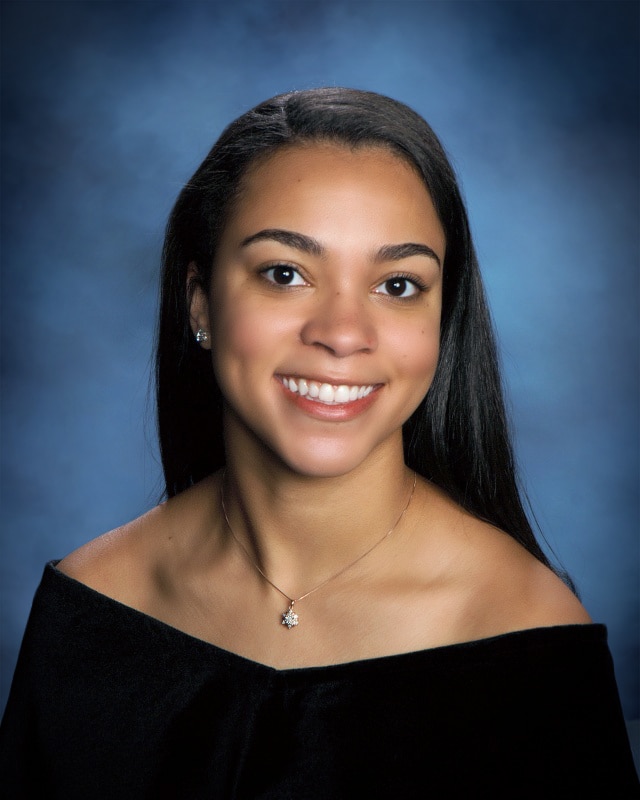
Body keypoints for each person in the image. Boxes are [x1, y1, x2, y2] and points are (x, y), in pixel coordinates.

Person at [1, 88, 637, 798]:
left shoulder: (529, 641)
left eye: (397, 285)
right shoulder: (91, 605)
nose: (342, 332)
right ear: (200, 301)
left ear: (441, 322)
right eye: (285, 274)